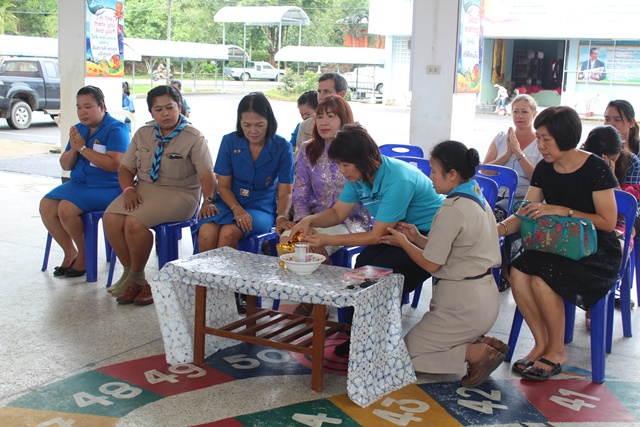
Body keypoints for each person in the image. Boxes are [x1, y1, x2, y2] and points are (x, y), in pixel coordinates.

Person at [290, 124, 444, 356]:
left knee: (382, 275)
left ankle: (377, 342)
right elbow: (337, 213)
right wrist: (309, 220)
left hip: (427, 238)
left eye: (345, 165)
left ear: (363, 160)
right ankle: (357, 336)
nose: (341, 171)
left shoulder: (398, 180)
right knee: (363, 265)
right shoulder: (359, 177)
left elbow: (375, 235)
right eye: (338, 164)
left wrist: (324, 239)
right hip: (396, 234)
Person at [498, 106, 621, 381]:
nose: (540, 146)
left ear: (565, 138)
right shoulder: (545, 168)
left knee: (544, 279)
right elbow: (525, 212)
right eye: (538, 138)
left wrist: (561, 210)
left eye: (546, 139)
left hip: (594, 248)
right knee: (518, 272)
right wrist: (498, 229)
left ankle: (557, 351)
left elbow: (607, 222)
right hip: (556, 242)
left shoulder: (595, 168)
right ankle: (541, 344)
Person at [380, 140, 503, 387]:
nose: (430, 177)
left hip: (463, 306)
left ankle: (476, 352)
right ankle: (479, 342)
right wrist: (417, 238)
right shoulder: (475, 195)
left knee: (404, 356)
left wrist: (404, 243)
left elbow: (431, 264)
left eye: (434, 171)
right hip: (481, 297)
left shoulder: (453, 209)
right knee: (417, 346)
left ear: (452, 174)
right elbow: (454, 248)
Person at [104, 85, 216, 306]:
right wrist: (129, 190)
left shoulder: (193, 137)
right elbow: (125, 170)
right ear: (151, 112)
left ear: (179, 107)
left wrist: (209, 200)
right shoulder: (143, 133)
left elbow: (207, 174)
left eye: (170, 107)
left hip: (181, 194)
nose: (165, 113)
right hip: (144, 189)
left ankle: (137, 277)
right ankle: (131, 273)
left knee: (134, 223)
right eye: (159, 109)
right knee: (111, 218)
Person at [280, 96, 372, 316]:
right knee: (288, 239)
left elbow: (365, 192)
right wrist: (305, 222)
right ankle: (312, 295)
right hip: (315, 218)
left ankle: (318, 303)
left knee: (310, 245)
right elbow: (300, 193)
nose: (323, 122)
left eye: (331, 116)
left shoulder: (356, 148)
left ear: (344, 120)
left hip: (350, 219)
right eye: (319, 116)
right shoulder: (307, 150)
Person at [40, 85, 129, 278]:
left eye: (88, 107)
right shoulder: (78, 130)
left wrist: (82, 149)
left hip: (108, 187)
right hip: (79, 184)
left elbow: (114, 165)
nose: (82, 112)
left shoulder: (116, 128)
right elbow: (65, 164)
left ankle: (85, 255)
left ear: (101, 107)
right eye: (79, 107)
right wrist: (74, 149)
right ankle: (70, 252)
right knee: (46, 205)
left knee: (66, 209)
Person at [196, 92, 293, 257]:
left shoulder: (282, 146)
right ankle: (203, 275)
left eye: (259, 125)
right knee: (206, 233)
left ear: (269, 122)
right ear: (239, 122)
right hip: (228, 202)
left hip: (260, 206)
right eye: (246, 125)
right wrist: (237, 209)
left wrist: (282, 217)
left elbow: (285, 192)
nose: (253, 131)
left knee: (228, 233)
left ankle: (226, 275)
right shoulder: (229, 141)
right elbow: (223, 186)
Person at [483, 94, 544, 291]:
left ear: (534, 114)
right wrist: (507, 154)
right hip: (497, 194)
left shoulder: (541, 142)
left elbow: (540, 179)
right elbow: (485, 171)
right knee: (481, 214)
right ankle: (484, 265)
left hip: (523, 197)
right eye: (516, 111)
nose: (520, 116)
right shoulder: (502, 138)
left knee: (509, 216)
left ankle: (504, 270)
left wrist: (519, 154)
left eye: (525, 112)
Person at [296, 73, 348, 147]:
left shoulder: (355, 131)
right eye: (319, 92)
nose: (321, 97)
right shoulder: (306, 126)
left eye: (326, 91)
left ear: (341, 95)